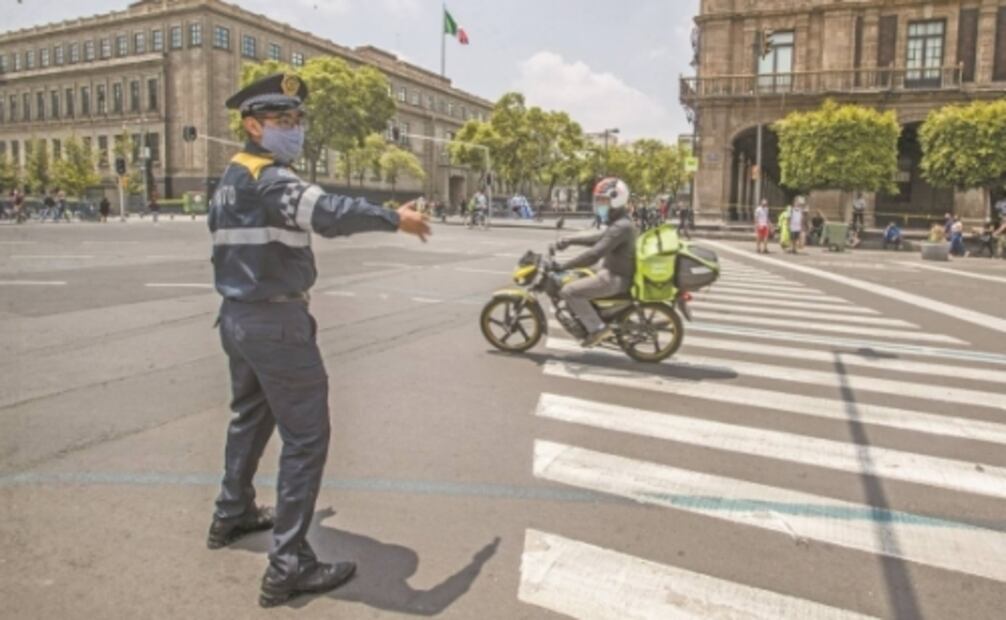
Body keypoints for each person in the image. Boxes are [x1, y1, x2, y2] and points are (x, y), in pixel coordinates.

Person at [206, 73, 430, 608]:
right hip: (277, 324)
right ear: (252, 125)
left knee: (250, 417)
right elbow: (326, 213)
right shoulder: (270, 179)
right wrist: (391, 217)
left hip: (237, 317)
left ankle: (231, 513)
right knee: (305, 439)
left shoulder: (229, 179)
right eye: (283, 121)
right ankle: (289, 565)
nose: (294, 130)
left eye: (297, 120)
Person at [554, 177, 636, 347]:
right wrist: (570, 240)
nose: (599, 204)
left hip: (614, 278)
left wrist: (563, 266)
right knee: (579, 276)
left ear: (616, 199)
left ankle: (597, 328)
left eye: (602, 200)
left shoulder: (621, 226)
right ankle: (594, 318)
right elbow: (599, 239)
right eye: (598, 200)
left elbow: (595, 254)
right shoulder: (620, 223)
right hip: (613, 272)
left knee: (569, 291)